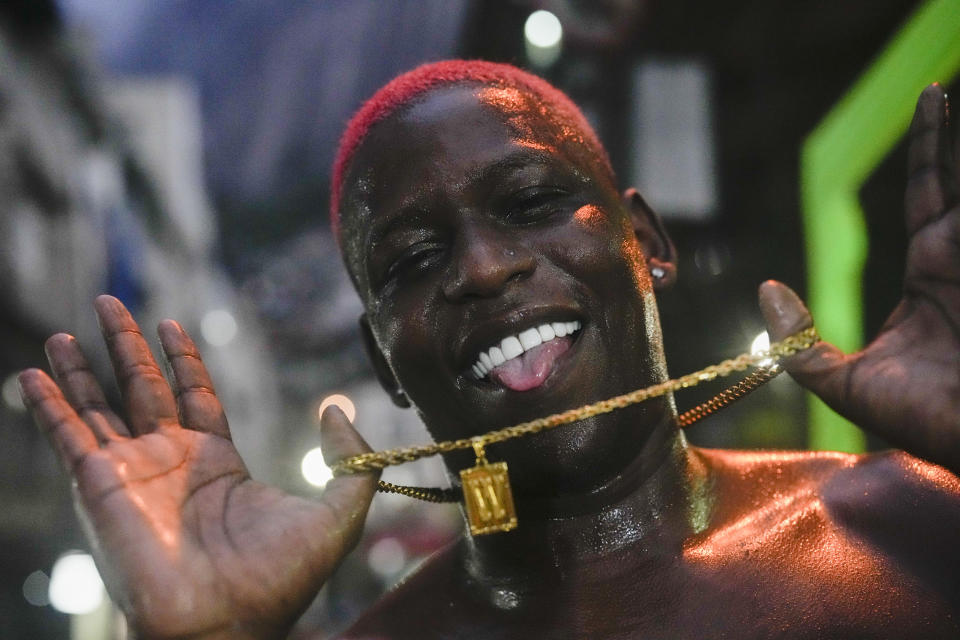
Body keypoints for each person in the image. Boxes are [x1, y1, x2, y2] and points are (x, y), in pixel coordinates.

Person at [18, 60, 960, 639]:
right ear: (385, 360)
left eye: (532, 204)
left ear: (648, 246)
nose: (482, 268)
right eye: (415, 261)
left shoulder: (907, 528)